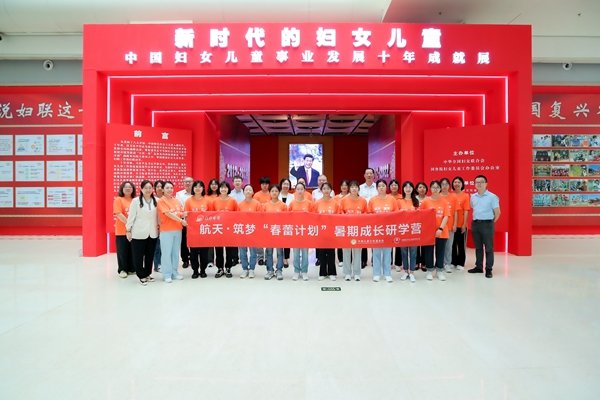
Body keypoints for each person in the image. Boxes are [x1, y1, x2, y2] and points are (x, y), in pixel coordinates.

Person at [126, 180, 159, 285]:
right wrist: (128, 230)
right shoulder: (136, 201)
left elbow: (158, 216)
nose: (148, 190)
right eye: (146, 188)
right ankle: (141, 275)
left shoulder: (157, 200)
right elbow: (131, 217)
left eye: (150, 188)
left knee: (150, 255)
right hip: (138, 232)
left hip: (153, 232)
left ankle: (148, 273)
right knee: (138, 255)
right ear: (141, 189)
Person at [469, 175, 500, 279]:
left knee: (489, 248)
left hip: (487, 224)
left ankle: (488, 269)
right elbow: (474, 208)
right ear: (475, 184)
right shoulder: (473, 197)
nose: (479, 184)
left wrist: (490, 222)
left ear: (486, 184)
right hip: (476, 224)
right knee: (478, 247)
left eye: (481, 182)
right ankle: (478, 267)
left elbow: (497, 213)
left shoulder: (492, 197)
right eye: (477, 182)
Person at [367, 179, 398, 283]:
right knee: (376, 252)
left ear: (386, 187)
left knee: (387, 253)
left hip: (388, 230)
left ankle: (387, 274)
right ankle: (376, 274)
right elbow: (368, 214)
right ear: (377, 188)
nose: (381, 188)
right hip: (377, 230)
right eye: (379, 186)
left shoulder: (392, 199)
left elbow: (396, 214)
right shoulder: (372, 200)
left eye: (383, 186)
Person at [157, 181, 187, 283]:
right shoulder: (162, 201)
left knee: (175, 253)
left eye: (171, 188)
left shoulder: (176, 201)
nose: (169, 190)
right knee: (166, 253)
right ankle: (167, 274)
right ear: (163, 190)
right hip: (166, 231)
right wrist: (181, 220)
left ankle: (175, 272)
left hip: (177, 230)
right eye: (167, 188)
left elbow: (181, 212)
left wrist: (186, 214)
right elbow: (168, 214)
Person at [420, 180, 450, 281]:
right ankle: (429, 270)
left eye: (437, 187)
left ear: (440, 189)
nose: (435, 189)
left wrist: (440, 228)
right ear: (430, 189)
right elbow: (421, 215)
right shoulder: (426, 201)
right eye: (433, 187)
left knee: (440, 251)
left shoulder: (444, 201)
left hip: (442, 231)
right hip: (429, 231)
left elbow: (446, 216)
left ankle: (439, 270)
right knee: (429, 251)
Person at [340, 180, 367, 281]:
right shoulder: (343, 200)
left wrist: (359, 217)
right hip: (346, 230)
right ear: (349, 189)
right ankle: (347, 273)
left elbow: (366, 213)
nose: (354, 189)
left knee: (357, 252)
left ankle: (356, 273)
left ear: (358, 189)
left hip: (358, 229)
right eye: (352, 187)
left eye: (356, 187)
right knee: (346, 252)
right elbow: (340, 213)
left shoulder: (363, 200)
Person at [184, 180, 212, 279]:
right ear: (193, 188)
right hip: (193, 231)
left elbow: (211, 216)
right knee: (193, 253)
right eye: (196, 186)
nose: (198, 188)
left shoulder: (207, 200)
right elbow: (186, 215)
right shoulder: (188, 201)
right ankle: (195, 270)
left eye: (200, 186)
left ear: (203, 188)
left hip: (204, 230)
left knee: (204, 253)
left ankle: (203, 270)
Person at [213, 181, 239, 278]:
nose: (223, 189)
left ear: (228, 189)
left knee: (229, 250)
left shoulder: (233, 201)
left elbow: (237, 214)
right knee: (218, 250)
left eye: (225, 187)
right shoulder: (215, 201)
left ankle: (228, 268)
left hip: (229, 229)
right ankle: (220, 268)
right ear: (219, 189)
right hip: (218, 229)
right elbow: (211, 215)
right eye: (222, 187)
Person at [314, 182, 339, 281]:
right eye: (324, 189)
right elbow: (314, 217)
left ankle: (332, 272)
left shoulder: (335, 203)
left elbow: (339, 216)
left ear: (331, 190)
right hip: (321, 232)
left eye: (328, 189)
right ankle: (322, 273)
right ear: (321, 190)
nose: (326, 190)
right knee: (321, 253)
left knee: (331, 253)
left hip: (332, 231)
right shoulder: (317, 203)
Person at [287, 182, 313, 281]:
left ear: (304, 190)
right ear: (295, 191)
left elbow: (313, 217)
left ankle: (305, 271)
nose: (300, 191)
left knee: (305, 253)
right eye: (298, 189)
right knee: (296, 252)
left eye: (302, 189)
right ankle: (297, 271)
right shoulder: (292, 203)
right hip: (295, 232)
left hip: (305, 232)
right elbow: (288, 217)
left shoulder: (309, 203)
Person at [263, 184, 287, 280]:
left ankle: (279, 270)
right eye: (272, 191)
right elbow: (262, 219)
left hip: (279, 232)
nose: (274, 193)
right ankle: (270, 270)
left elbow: (286, 219)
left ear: (279, 192)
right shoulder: (265, 205)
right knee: (269, 252)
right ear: (270, 192)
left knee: (280, 252)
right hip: (269, 232)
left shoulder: (283, 205)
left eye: (276, 191)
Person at [397, 181, 420, 283]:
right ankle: (406, 271)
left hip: (414, 229)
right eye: (406, 187)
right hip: (403, 229)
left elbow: (420, 215)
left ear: (412, 189)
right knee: (404, 251)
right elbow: (396, 215)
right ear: (403, 189)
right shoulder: (399, 201)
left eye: (410, 187)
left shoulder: (417, 201)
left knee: (413, 252)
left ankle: (412, 272)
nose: (408, 188)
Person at [238, 184, 262, 279]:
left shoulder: (257, 204)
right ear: (243, 192)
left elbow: (260, 217)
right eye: (246, 190)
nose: (248, 191)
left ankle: (252, 269)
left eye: (250, 190)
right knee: (243, 251)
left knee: (253, 252)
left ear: (253, 192)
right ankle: (245, 269)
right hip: (242, 231)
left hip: (253, 230)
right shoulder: (240, 204)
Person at [113, 181, 136, 278]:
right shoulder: (119, 199)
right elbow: (118, 213)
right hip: (122, 230)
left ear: (133, 189)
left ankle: (131, 268)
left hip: (134, 231)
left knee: (132, 250)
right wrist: (129, 224)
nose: (128, 189)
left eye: (130, 187)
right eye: (126, 187)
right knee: (122, 250)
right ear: (122, 189)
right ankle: (122, 269)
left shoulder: (135, 200)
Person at [359, 168, 377, 269]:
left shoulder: (377, 187)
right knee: (363, 237)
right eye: (367, 173)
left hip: (374, 216)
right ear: (364, 175)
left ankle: (375, 259)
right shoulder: (360, 188)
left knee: (375, 237)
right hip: (363, 216)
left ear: (373, 175)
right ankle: (363, 260)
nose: (369, 175)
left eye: (371, 173)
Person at [451, 176, 470, 270]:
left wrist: (464, 224)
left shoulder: (465, 196)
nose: (457, 184)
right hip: (452, 225)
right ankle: (453, 262)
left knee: (461, 244)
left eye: (459, 182)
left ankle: (461, 263)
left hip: (461, 224)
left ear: (462, 184)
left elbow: (466, 210)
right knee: (452, 244)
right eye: (455, 182)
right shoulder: (451, 195)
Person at [440, 177, 458, 273]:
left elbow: (455, 212)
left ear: (449, 186)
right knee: (439, 246)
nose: (444, 186)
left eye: (446, 184)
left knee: (448, 246)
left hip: (450, 225)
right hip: (439, 226)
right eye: (442, 184)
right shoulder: (437, 196)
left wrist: (455, 224)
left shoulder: (453, 197)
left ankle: (447, 263)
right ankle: (439, 263)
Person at [176, 176, 194, 269]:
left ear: (193, 183)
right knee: (183, 241)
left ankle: (194, 258)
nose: (188, 183)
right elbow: (179, 206)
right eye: (186, 182)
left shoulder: (197, 193)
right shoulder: (179, 194)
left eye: (190, 182)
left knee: (194, 240)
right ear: (183, 183)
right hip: (183, 221)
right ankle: (185, 260)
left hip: (195, 222)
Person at [253, 176, 271, 266]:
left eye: (266, 184)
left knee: (268, 240)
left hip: (269, 221)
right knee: (259, 240)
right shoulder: (256, 195)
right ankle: (260, 257)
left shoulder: (272, 194)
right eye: (263, 184)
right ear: (260, 185)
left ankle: (268, 258)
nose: (265, 186)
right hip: (259, 220)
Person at [335, 179, 350, 268]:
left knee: (349, 241)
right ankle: (341, 259)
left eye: (346, 185)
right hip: (339, 222)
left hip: (349, 222)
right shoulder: (336, 197)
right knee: (340, 241)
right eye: (342, 185)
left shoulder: (351, 197)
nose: (344, 187)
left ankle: (349, 259)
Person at [389, 179, 403, 272]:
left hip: (400, 223)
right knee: (389, 243)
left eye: (396, 185)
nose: (394, 186)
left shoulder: (402, 197)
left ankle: (398, 263)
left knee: (398, 243)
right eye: (392, 185)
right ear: (389, 187)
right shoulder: (387, 197)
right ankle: (389, 263)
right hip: (389, 224)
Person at [415, 181, 429, 271]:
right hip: (415, 224)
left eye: (424, 187)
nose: (422, 189)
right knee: (416, 244)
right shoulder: (414, 199)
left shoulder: (429, 199)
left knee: (424, 245)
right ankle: (416, 263)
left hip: (425, 224)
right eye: (420, 187)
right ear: (416, 189)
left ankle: (424, 263)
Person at [279, 178, 293, 268]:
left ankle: (286, 258)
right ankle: (280, 257)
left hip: (288, 222)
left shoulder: (292, 197)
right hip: (277, 222)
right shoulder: (276, 194)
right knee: (279, 241)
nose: (286, 186)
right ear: (281, 185)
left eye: (287, 184)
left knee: (287, 241)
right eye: (284, 184)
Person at [206, 178, 220, 269]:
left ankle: (219, 261)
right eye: (212, 184)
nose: (214, 186)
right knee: (210, 242)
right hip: (209, 221)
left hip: (220, 222)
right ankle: (210, 260)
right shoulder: (206, 197)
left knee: (219, 242)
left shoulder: (221, 196)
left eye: (215, 184)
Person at [153, 180, 165, 273]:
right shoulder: (152, 199)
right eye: (158, 186)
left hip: (166, 226)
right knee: (157, 247)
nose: (160, 188)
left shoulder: (167, 199)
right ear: (155, 188)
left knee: (164, 247)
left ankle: (164, 264)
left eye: (161, 186)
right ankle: (157, 265)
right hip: (155, 226)